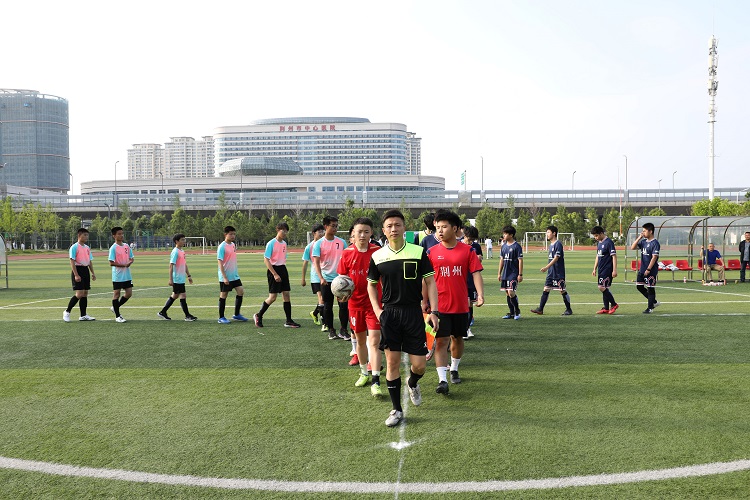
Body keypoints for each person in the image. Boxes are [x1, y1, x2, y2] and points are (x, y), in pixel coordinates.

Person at [368, 209, 439, 427]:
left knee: (420, 366)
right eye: (389, 226)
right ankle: (396, 409)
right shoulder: (377, 256)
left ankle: (413, 383)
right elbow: (371, 285)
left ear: (404, 228)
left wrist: (434, 311)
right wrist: (378, 311)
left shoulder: (418, 252)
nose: (393, 229)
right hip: (390, 314)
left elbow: (430, 282)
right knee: (392, 362)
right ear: (383, 230)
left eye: (397, 225)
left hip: (413, 313)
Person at [426, 210, 483, 395]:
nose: (440, 231)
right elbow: (426, 280)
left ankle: (455, 368)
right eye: (437, 227)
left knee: (457, 338)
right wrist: (424, 301)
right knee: (441, 341)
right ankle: (442, 380)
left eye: (444, 227)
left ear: (455, 228)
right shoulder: (431, 252)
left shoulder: (468, 251)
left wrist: (480, 294)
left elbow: (476, 273)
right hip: (439, 306)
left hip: (460, 305)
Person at [337, 217, 387, 396]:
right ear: (353, 233)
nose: (363, 235)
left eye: (366, 231)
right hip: (355, 304)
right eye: (359, 232)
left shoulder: (378, 251)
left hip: (374, 304)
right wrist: (341, 295)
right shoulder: (347, 253)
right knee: (360, 341)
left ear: (371, 233)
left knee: (374, 341)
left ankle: (376, 380)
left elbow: (384, 277)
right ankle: (364, 373)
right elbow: (341, 280)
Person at [253, 222, 301, 328]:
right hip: (273, 269)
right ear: (278, 230)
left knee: (286, 294)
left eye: (286, 231)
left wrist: (282, 272)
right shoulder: (271, 243)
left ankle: (288, 320)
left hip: (283, 268)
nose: (285, 233)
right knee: (273, 297)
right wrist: (274, 274)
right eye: (283, 230)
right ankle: (258, 315)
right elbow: (266, 259)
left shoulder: (284, 243)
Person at [313, 215, 350, 340]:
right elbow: (316, 263)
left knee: (343, 305)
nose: (335, 228)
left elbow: (347, 259)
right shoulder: (319, 244)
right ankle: (331, 330)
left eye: (336, 226)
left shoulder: (342, 242)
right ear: (326, 226)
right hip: (326, 280)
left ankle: (343, 330)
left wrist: (347, 276)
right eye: (333, 226)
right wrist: (321, 278)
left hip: (341, 279)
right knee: (328, 306)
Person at [531, 225, 573, 316]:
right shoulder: (551, 245)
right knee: (546, 289)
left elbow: (556, 258)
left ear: (554, 233)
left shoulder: (558, 244)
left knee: (562, 290)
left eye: (548, 232)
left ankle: (569, 309)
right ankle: (540, 309)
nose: (547, 234)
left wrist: (546, 267)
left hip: (558, 272)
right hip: (551, 272)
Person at [158, 233, 197, 321]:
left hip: (181, 278)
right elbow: (171, 265)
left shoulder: (182, 251)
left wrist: (189, 275)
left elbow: (184, 264)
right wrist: (170, 279)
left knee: (175, 295)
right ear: (176, 241)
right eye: (182, 240)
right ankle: (187, 316)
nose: (184, 241)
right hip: (177, 278)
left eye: (184, 239)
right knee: (182, 296)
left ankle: (163, 312)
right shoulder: (175, 251)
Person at [63, 228, 97, 322]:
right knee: (79, 294)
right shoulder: (74, 247)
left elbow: (89, 261)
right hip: (78, 270)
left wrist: (92, 273)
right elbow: (72, 261)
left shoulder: (87, 248)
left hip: (85, 270)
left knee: (85, 293)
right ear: (79, 235)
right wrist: (76, 275)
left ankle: (83, 315)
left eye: (87, 235)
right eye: (84, 235)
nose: (86, 237)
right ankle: (67, 311)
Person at [217, 225, 248, 324]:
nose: (233, 236)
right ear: (225, 234)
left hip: (234, 275)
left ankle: (236, 314)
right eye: (231, 234)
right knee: (223, 295)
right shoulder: (222, 246)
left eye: (234, 234)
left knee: (240, 291)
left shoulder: (233, 245)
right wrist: (224, 277)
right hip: (225, 276)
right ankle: (221, 317)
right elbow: (220, 262)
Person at [631, 222, 661, 313]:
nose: (643, 232)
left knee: (650, 288)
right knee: (639, 286)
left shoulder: (655, 243)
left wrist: (648, 269)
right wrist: (639, 238)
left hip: (651, 270)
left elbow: (654, 257)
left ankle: (650, 308)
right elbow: (632, 247)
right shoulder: (643, 242)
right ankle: (654, 302)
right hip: (642, 269)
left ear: (650, 231)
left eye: (644, 231)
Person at [497, 225, 523, 320]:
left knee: (511, 292)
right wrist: (499, 273)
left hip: (513, 273)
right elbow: (501, 260)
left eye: (505, 234)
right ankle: (511, 313)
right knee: (507, 293)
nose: (504, 235)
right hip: (505, 274)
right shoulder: (503, 246)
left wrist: (520, 274)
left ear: (511, 235)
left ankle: (517, 311)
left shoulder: (517, 246)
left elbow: (520, 260)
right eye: (503, 234)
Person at [109, 226, 134, 323]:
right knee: (116, 294)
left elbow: (131, 258)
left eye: (122, 233)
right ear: (114, 236)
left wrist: (130, 262)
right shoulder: (113, 248)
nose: (121, 235)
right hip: (118, 275)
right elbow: (111, 263)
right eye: (119, 234)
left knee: (129, 293)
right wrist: (123, 265)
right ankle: (117, 316)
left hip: (127, 275)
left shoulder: (126, 246)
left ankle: (115, 307)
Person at [301, 224, 325, 324]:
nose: (322, 233)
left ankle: (315, 313)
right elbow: (305, 263)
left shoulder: (325, 244)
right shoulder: (309, 247)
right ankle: (325, 323)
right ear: (314, 233)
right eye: (319, 231)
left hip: (326, 275)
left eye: (322, 231)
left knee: (324, 299)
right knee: (322, 298)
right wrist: (303, 278)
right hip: (315, 276)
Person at [591, 226, 619, 314]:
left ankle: (614, 304)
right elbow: (598, 256)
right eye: (594, 236)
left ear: (601, 233)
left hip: (607, 269)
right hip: (601, 269)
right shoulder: (599, 243)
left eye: (596, 236)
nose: (595, 238)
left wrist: (614, 270)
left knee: (601, 287)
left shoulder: (609, 242)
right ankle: (606, 308)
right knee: (605, 287)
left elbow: (614, 256)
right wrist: (594, 268)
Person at [463, 225, 483, 338]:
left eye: (473, 240)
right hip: (461, 279)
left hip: (471, 279)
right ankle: (463, 329)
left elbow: (479, 261)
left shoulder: (476, 246)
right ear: (465, 235)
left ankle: (467, 328)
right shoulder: (458, 245)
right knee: (465, 303)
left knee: (470, 304)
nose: (471, 242)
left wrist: (479, 258)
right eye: (469, 239)